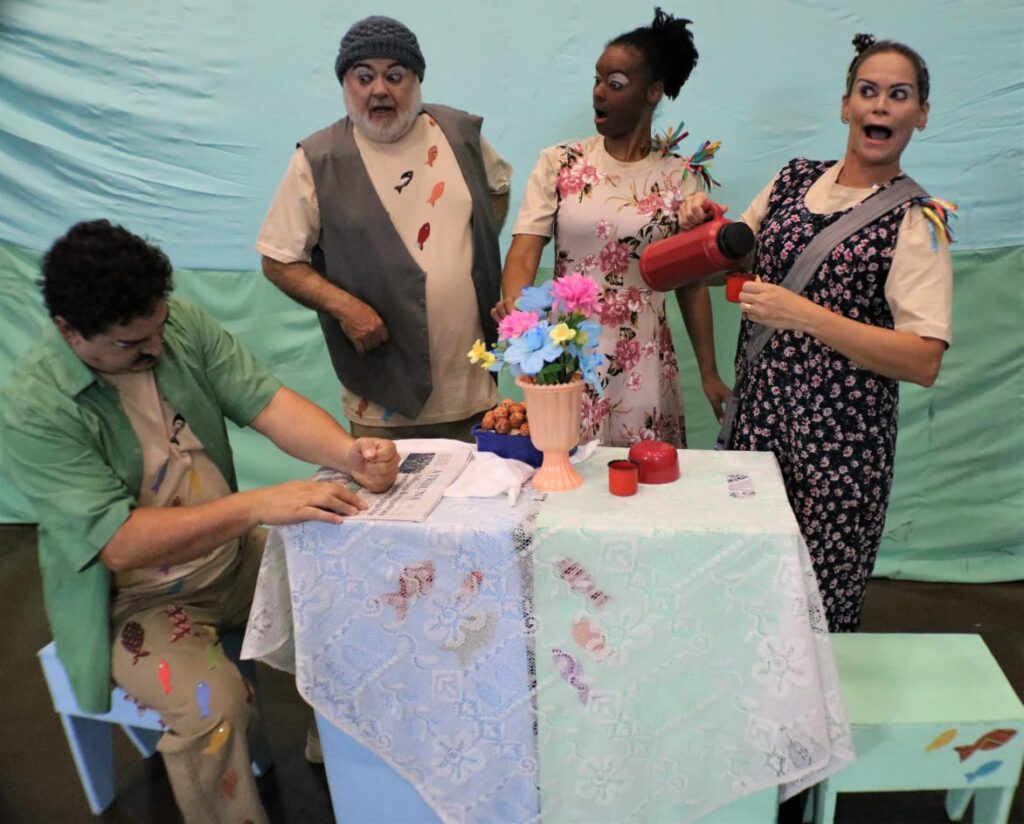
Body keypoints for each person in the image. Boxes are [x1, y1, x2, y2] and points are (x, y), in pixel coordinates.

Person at [0, 220, 400, 823]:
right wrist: (256, 506)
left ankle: (344, 753)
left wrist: (350, 454)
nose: (155, 348)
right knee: (214, 711)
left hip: (233, 558)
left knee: (350, 599)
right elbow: (118, 545)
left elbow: (265, 402)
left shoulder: (173, 326)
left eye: (158, 327)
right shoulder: (36, 403)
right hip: (136, 602)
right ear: (69, 331)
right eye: (131, 344)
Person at [678, 35, 953, 631]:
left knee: (816, 615)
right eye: (868, 91)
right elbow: (733, 256)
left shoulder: (919, 221)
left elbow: (923, 360)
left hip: (842, 456)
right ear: (846, 105)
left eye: (899, 96)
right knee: (740, 599)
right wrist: (706, 226)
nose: (880, 106)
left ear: (921, 115)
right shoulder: (791, 180)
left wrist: (803, 314)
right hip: (755, 432)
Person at [258, 15, 512, 442]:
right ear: (346, 85)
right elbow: (278, 260)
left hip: (473, 385)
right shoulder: (317, 160)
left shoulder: (459, 134)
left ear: (417, 82)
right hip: (382, 400)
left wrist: (474, 254)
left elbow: (497, 190)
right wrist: (345, 308)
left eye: (395, 76)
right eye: (364, 77)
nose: (380, 89)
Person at [495, 8, 729, 448]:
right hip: (567, 356)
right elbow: (524, 253)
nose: (599, 93)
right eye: (597, 80)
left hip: (644, 362)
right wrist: (519, 323)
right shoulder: (559, 163)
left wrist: (710, 373)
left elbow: (690, 284)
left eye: (616, 83)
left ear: (653, 93)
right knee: (569, 473)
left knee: (642, 486)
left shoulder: (680, 178)